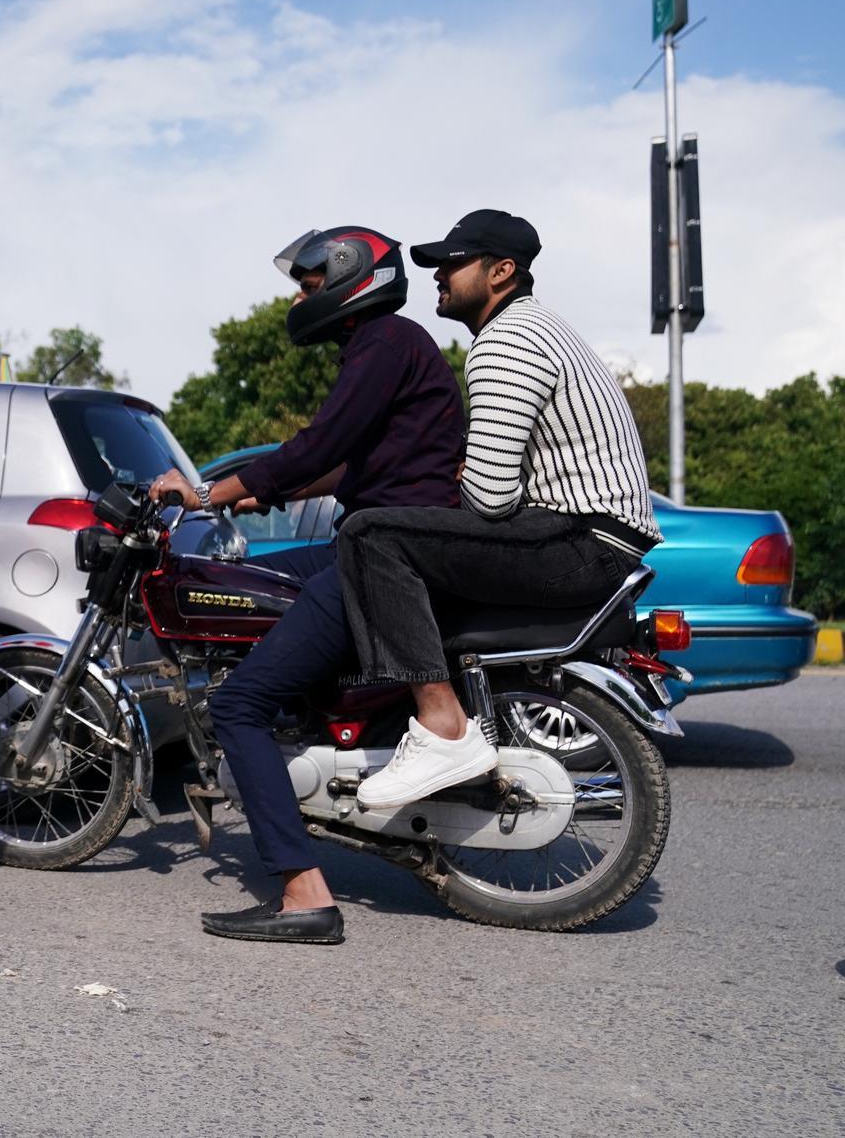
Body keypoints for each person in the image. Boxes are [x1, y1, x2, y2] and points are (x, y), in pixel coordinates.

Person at [147, 226, 465, 945]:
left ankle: (302, 893)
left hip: (383, 552)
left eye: (310, 283)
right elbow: (350, 462)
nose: (299, 296)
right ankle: (311, 737)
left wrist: (201, 496)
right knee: (253, 579)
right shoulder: (391, 346)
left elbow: (318, 445)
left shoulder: (383, 343)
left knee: (238, 706)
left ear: (351, 277)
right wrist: (245, 492)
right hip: (381, 538)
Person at [341, 209, 661, 811]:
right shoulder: (540, 329)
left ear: (501, 271)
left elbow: (489, 498)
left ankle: (441, 727)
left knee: (370, 536)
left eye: (452, 263)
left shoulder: (506, 341)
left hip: (580, 541)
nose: (439, 274)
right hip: (596, 538)